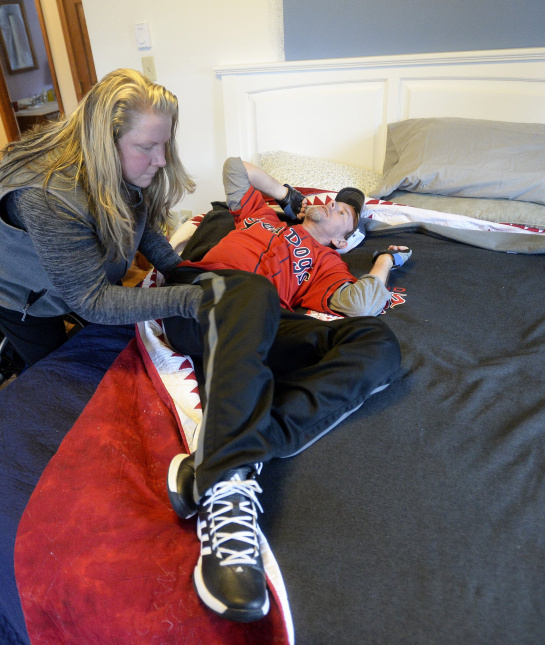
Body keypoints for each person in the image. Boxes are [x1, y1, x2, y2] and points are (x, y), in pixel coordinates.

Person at [162, 157, 411, 622]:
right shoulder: (261, 211)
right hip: (199, 299)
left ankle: (221, 454)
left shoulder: (327, 263)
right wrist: (288, 197)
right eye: (333, 199)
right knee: (253, 291)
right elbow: (237, 168)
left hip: (263, 321)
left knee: (379, 345)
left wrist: (381, 262)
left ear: (343, 238)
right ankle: (226, 493)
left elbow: (361, 304)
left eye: (342, 212)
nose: (331, 204)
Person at [0, 69, 203, 367]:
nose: (161, 160)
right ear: (106, 143)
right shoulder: (49, 197)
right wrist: (192, 300)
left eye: (164, 145)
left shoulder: (113, 163)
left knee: (116, 332)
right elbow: (93, 302)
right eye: (148, 147)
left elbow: (136, 218)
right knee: (55, 366)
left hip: (56, 233)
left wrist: (179, 270)